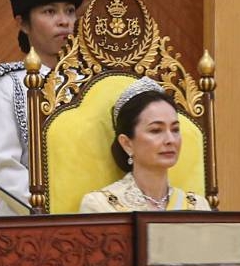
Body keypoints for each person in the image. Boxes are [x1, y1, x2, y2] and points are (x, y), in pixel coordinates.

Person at [0, 0, 87, 215]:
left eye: (69, 10)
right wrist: (54, 209)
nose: (64, 20)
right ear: (22, 23)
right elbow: (3, 168)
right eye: (49, 11)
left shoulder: (93, 81)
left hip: (90, 215)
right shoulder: (6, 84)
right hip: (27, 222)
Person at [79, 77, 210, 212]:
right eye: (156, 130)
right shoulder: (101, 206)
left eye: (175, 129)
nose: (170, 139)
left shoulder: (197, 206)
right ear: (127, 144)